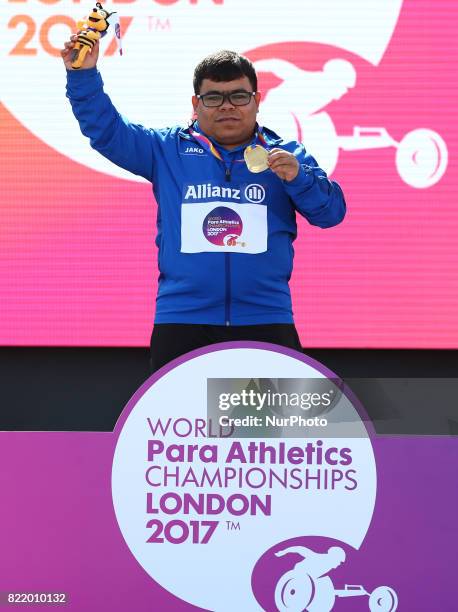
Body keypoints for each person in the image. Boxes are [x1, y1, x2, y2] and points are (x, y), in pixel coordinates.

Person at [61, 39, 346, 372]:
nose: (227, 106)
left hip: (266, 317)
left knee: (266, 425)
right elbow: (107, 132)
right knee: (180, 423)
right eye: (213, 97)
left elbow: (331, 214)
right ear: (196, 103)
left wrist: (300, 179)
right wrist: (82, 76)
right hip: (182, 320)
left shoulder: (286, 156)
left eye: (239, 96)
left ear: (257, 100)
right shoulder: (165, 149)